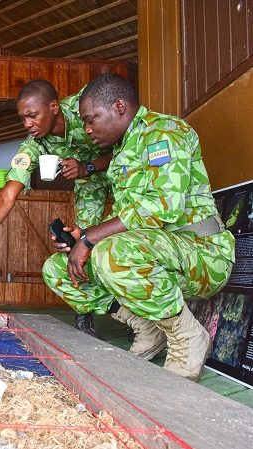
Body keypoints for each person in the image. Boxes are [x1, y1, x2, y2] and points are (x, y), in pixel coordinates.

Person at [42, 73, 235, 380]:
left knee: (110, 253)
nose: (88, 129)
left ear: (119, 106)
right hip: (154, 253)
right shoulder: (121, 151)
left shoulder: (164, 132)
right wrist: (81, 238)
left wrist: (91, 238)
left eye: (92, 119)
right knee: (58, 268)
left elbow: (163, 206)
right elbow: (129, 220)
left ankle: (186, 336)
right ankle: (148, 327)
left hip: (202, 253)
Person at [0, 79, 112, 336]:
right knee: (80, 244)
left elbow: (125, 141)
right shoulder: (33, 145)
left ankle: (141, 312)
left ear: (54, 107)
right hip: (89, 187)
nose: (27, 124)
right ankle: (88, 309)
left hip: (122, 174)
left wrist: (87, 167)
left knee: (124, 236)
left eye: (33, 116)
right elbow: (6, 196)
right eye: (23, 118)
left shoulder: (85, 106)